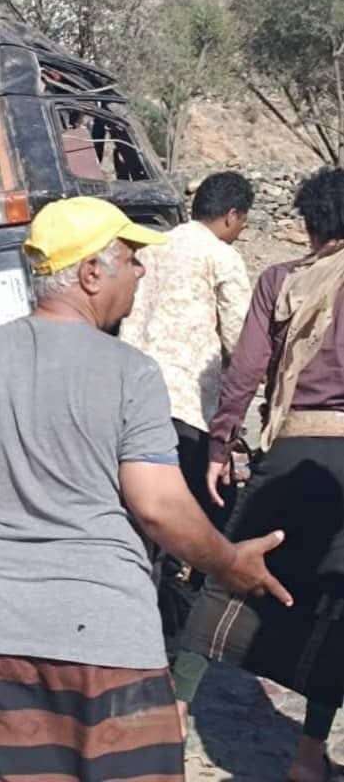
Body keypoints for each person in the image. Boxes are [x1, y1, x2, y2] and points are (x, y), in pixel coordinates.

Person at [0, 196, 292, 782]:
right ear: (91, 273)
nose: (141, 271)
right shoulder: (130, 373)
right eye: (130, 258)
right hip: (104, 638)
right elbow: (159, 505)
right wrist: (228, 564)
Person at [175, 168, 344, 782]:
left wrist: (221, 445)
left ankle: (171, 722)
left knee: (227, 578)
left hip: (292, 450)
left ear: (308, 223)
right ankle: (307, 758)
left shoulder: (282, 280)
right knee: (334, 606)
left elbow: (245, 373)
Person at [121, 171, 254, 650]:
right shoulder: (222, 256)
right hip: (186, 408)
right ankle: (167, 619)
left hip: (131, 400)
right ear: (233, 215)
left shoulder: (150, 246)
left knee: (134, 514)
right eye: (242, 223)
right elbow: (243, 338)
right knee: (186, 516)